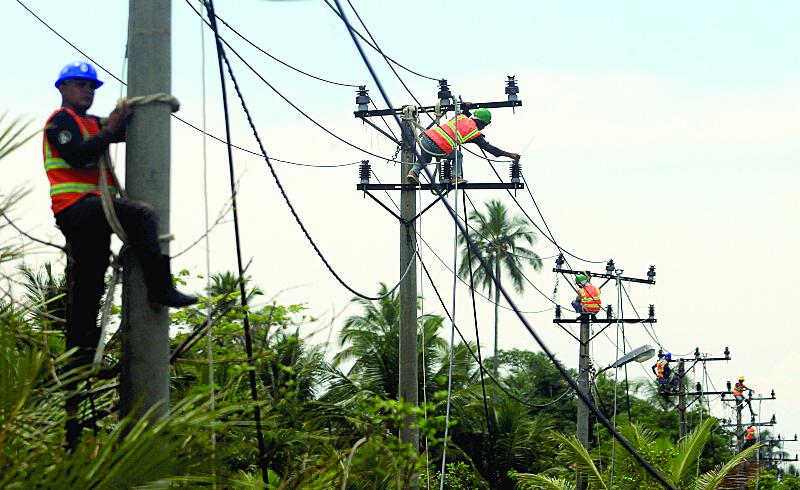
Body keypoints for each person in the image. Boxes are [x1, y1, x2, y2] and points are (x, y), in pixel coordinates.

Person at [44, 61, 198, 448]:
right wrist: (110, 129)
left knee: (91, 282)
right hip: (76, 208)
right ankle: (161, 288)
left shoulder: (94, 123)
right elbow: (79, 156)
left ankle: (80, 355)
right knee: (142, 215)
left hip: (95, 208)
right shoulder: (59, 122)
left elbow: (123, 136)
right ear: (63, 88)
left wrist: (137, 118)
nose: (87, 92)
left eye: (91, 87)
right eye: (80, 86)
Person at [406, 106, 520, 185]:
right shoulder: (475, 133)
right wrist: (510, 155)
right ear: (480, 122)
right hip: (440, 146)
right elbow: (491, 149)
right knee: (458, 155)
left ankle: (413, 172)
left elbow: (465, 109)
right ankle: (456, 177)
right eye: (484, 125)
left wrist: (466, 105)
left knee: (426, 158)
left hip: (427, 138)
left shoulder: (461, 117)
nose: (483, 128)